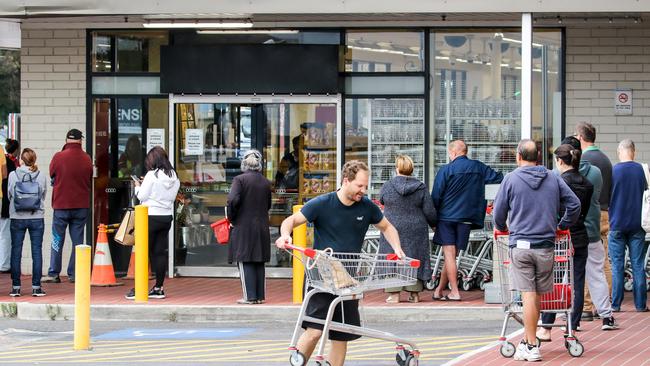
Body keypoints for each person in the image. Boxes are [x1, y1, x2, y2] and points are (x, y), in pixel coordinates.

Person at [275, 160, 405, 366]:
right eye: (359, 186)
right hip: (321, 276)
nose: (363, 190)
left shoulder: (367, 207)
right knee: (315, 330)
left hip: (348, 280)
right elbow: (290, 221)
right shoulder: (322, 203)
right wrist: (285, 236)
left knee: (341, 334)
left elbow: (387, 227)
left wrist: (397, 249)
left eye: (365, 186)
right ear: (346, 181)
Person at [493, 139, 580, 362]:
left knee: (528, 295)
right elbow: (574, 204)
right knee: (537, 295)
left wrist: (502, 227)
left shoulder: (511, 179)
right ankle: (527, 342)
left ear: (518, 156)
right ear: (538, 157)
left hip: (521, 245)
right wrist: (562, 225)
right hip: (546, 246)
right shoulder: (552, 177)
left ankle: (531, 345)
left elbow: (498, 214)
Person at [431, 140, 502, 301]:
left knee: (449, 255)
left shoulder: (446, 170)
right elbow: (499, 178)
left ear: (453, 153)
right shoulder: (478, 167)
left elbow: (436, 196)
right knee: (452, 257)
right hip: (467, 218)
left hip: (447, 217)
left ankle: (455, 292)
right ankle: (439, 290)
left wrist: (433, 219)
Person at [536, 144, 593, 341]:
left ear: (560, 161)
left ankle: (547, 326)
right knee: (577, 281)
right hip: (580, 235)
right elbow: (581, 210)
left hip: (561, 235)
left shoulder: (557, 182)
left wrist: (560, 225)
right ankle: (573, 325)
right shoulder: (587, 183)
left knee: (553, 281)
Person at [380, 155, 436, 303]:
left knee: (392, 256)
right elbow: (429, 210)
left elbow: (382, 200)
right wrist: (434, 225)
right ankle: (414, 294)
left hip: (392, 226)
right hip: (416, 228)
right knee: (414, 257)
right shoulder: (420, 187)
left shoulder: (387, 186)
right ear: (412, 169)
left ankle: (394, 294)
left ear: (396, 168)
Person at [125, 146, 180, 300]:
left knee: (143, 252)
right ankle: (158, 287)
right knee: (159, 252)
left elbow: (142, 196)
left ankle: (139, 288)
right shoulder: (174, 176)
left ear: (153, 160)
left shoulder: (151, 175)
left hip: (150, 216)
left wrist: (137, 187)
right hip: (166, 217)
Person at [574, 121, 613, 321]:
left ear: (580, 138)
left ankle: (587, 306)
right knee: (602, 261)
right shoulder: (605, 159)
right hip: (604, 213)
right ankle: (605, 305)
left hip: (589, 216)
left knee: (586, 263)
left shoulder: (585, 161)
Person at [43, 129, 93, 284]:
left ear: (66, 140)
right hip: (81, 206)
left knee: (57, 239)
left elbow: (52, 173)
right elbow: (90, 177)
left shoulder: (58, 157)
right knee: (78, 241)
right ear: (81, 141)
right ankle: (75, 274)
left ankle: (54, 273)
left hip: (61, 205)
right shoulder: (86, 158)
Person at [227, 149, 272, 304]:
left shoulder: (239, 180)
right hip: (262, 225)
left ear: (244, 164)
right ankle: (259, 296)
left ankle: (249, 296)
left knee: (245, 259)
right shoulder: (266, 182)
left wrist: (231, 217)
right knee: (259, 259)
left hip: (243, 225)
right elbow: (268, 204)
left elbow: (232, 200)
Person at [608, 139, 648, 312]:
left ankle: (616, 305)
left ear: (619, 152)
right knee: (638, 264)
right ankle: (640, 305)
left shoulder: (613, 171)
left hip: (616, 223)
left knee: (617, 265)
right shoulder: (641, 170)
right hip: (637, 224)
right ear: (634, 152)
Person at [8, 148, 48, 297]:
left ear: (21, 160)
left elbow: (10, 194)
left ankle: (16, 287)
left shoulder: (13, 175)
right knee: (36, 251)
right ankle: (36, 287)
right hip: (36, 217)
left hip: (17, 217)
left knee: (16, 251)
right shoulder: (41, 175)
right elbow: (43, 196)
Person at [0, 139, 19, 273]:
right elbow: (5, 175)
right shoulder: (11, 163)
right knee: (4, 232)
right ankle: (4, 264)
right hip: (2, 199)